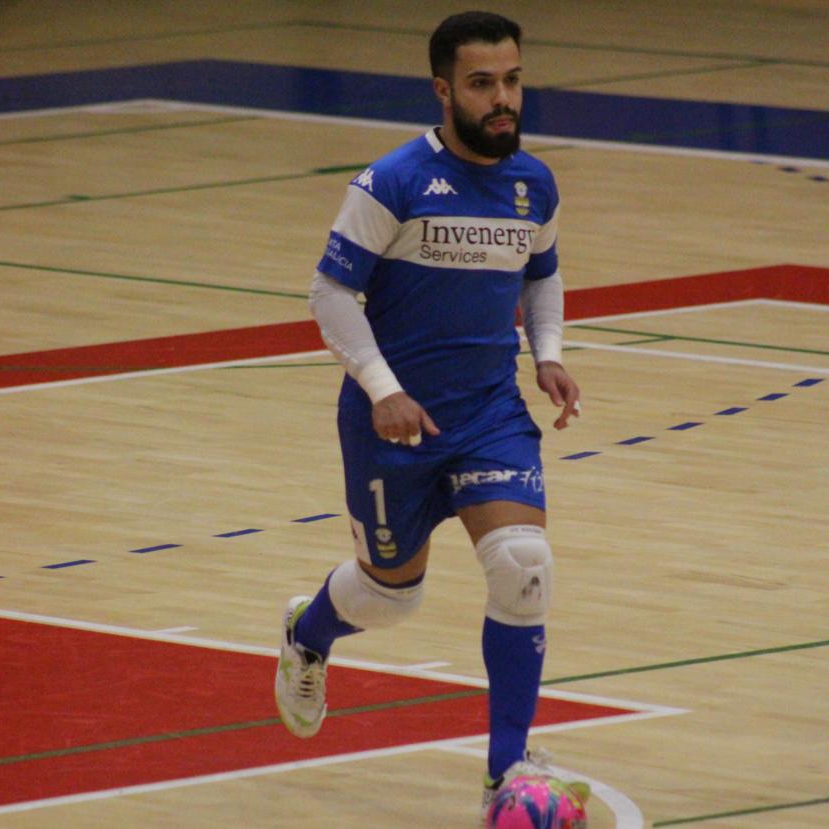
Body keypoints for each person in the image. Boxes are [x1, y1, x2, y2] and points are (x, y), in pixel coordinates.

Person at [274, 9, 581, 815]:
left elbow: (542, 273)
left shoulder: (534, 184)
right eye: (482, 83)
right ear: (443, 91)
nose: (502, 99)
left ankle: (504, 775)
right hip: (394, 424)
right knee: (389, 597)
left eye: (512, 80)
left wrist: (548, 352)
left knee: (523, 566)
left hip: (489, 413)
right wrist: (383, 389)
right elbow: (329, 294)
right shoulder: (393, 182)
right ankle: (309, 632)